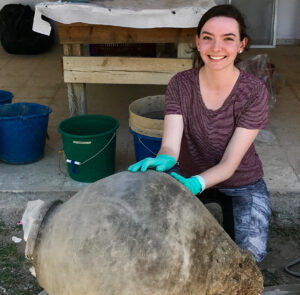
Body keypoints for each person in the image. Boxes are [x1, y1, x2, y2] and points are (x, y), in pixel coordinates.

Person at [128, 4, 271, 263]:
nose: (216, 48)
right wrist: (165, 159)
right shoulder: (180, 84)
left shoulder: (254, 92)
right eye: (208, 38)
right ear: (197, 42)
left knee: (249, 260)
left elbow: (229, 165)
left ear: (241, 45)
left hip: (241, 182)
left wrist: (197, 184)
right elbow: (170, 146)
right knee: (162, 249)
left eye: (228, 39)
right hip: (188, 175)